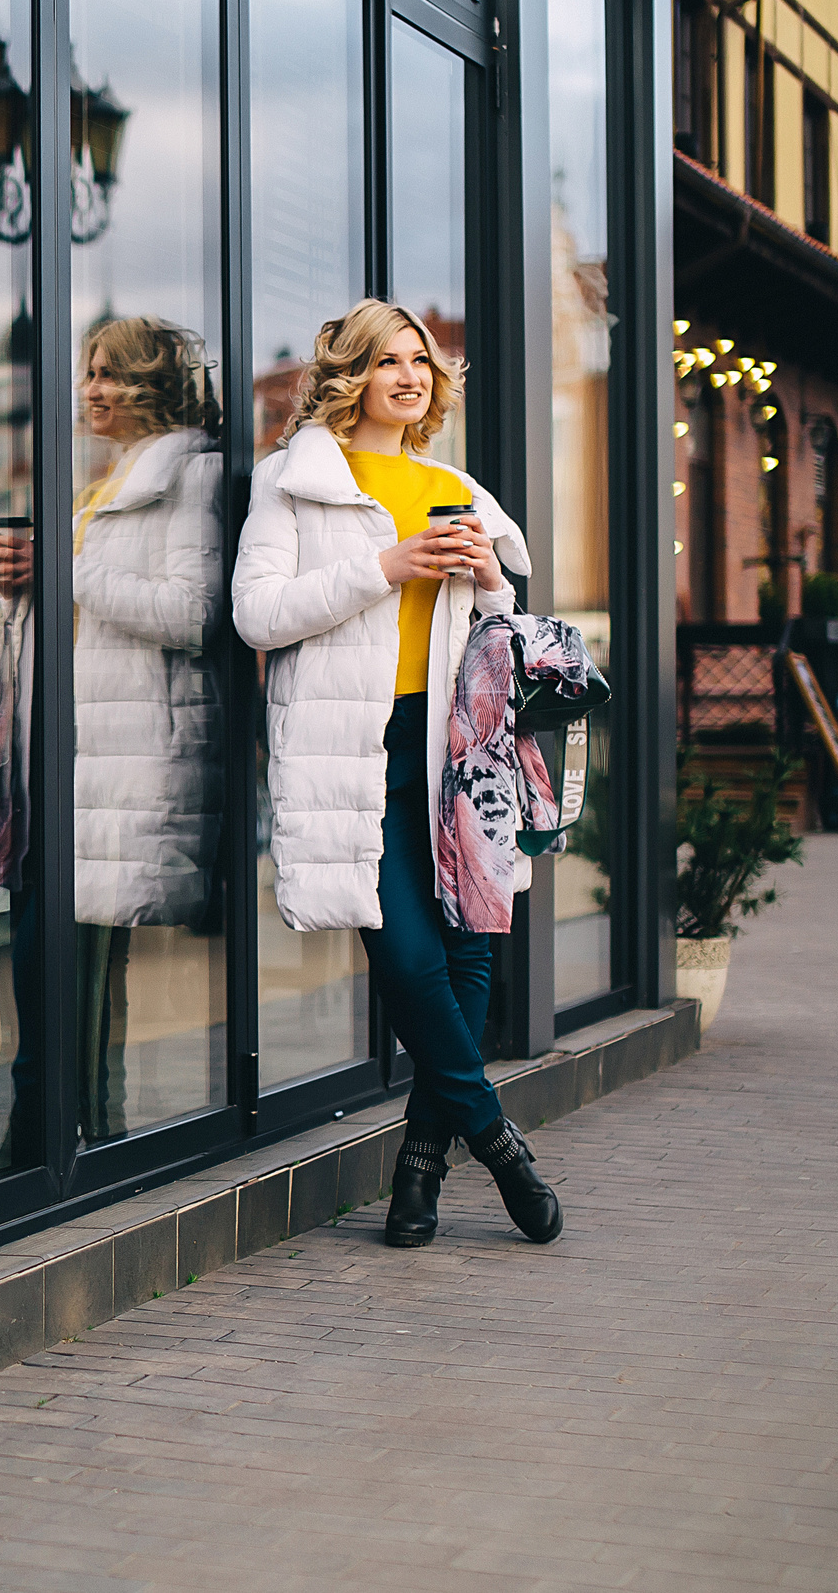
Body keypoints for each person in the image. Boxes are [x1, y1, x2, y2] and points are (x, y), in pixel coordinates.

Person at [230, 299, 562, 1248]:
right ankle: (500, 1146)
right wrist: (389, 563)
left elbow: (500, 629)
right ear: (349, 376)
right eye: (387, 361)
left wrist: (484, 577)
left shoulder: (453, 483)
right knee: (408, 958)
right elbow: (260, 614)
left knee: (465, 961)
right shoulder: (293, 483)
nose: (410, 375)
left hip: (456, 753)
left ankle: (417, 1172)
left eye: (420, 359)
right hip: (355, 748)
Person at [70, 317, 223, 1135]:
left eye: (106, 372)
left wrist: (66, 568)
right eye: (86, 372)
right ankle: (88, 1121)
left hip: (141, 749)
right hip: (97, 743)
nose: (88, 388)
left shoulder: (189, 476)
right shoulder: (113, 477)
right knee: (88, 952)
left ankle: (99, 1130)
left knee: (100, 949)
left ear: (149, 383)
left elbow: (194, 614)